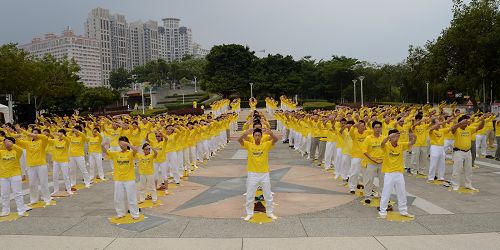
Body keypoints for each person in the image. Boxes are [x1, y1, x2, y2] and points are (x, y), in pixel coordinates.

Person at [238, 127, 278, 221]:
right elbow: (239, 140)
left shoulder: (266, 145)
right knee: (250, 195)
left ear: (261, 136)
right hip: (253, 173)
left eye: (259, 135)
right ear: (253, 136)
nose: (257, 137)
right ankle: (249, 213)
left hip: (264, 173)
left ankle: (270, 212)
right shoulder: (249, 145)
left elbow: (275, 140)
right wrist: (245, 133)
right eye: (255, 135)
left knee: (268, 194)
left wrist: (271, 133)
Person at [378, 129, 416, 219]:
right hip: (389, 173)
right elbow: (382, 144)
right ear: (390, 137)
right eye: (394, 136)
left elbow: (411, 143)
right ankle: (382, 210)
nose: (396, 138)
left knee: (402, 192)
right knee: (386, 192)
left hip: (399, 173)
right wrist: (389, 137)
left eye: (397, 136)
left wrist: (414, 137)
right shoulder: (386, 145)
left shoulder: (401, 145)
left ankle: (403, 211)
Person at [102, 136, 140, 219]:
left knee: (131, 197)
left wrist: (127, 144)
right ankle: (120, 213)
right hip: (118, 179)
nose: (121, 145)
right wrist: (103, 145)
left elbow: (136, 150)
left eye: (122, 143)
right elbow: (105, 152)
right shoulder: (116, 154)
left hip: (129, 179)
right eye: (120, 143)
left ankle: (135, 214)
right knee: (118, 198)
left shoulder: (130, 153)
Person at [16, 127, 52, 206]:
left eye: (35, 133)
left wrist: (25, 132)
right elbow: (16, 141)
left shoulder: (42, 142)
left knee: (43, 183)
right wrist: (15, 135)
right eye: (33, 133)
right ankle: (34, 199)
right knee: (32, 184)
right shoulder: (28, 143)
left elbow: (45, 137)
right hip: (31, 165)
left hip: (41, 165)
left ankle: (47, 198)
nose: (33, 135)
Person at [450, 115, 484, 191]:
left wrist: (483, 120)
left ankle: (468, 184)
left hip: (468, 152)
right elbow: (452, 129)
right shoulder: (457, 129)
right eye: (466, 121)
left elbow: (480, 127)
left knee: (468, 169)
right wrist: (460, 123)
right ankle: (455, 184)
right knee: (457, 169)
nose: (468, 122)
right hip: (459, 152)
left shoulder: (469, 129)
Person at [0, 137, 30, 216]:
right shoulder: (1, 152)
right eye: (5, 142)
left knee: (18, 193)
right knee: (4, 194)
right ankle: (5, 210)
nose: (7, 143)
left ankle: (21, 209)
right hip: (3, 176)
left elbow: (18, 149)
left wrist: (11, 144)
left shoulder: (17, 151)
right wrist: (3, 144)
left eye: (9, 141)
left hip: (15, 175)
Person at [362, 121, 384, 201]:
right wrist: (372, 159)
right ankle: (367, 196)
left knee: (383, 180)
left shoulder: (384, 138)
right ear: (373, 129)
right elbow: (364, 151)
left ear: (381, 128)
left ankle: (381, 195)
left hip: (382, 163)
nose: (378, 129)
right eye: (376, 127)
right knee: (369, 180)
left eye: (379, 127)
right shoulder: (368, 138)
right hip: (371, 163)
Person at [48, 129, 73, 195]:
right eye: (58, 134)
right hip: (56, 161)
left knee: (65, 176)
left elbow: (66, 139)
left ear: (64, 134)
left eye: (61, 134)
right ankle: (56, 190)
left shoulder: (67, 140)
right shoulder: (55, 140)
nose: (59, 135)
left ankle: (69, 190)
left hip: (64, 161)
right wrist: (47, 134)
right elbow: (47, 140)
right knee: (55, 176)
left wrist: (61, 135)